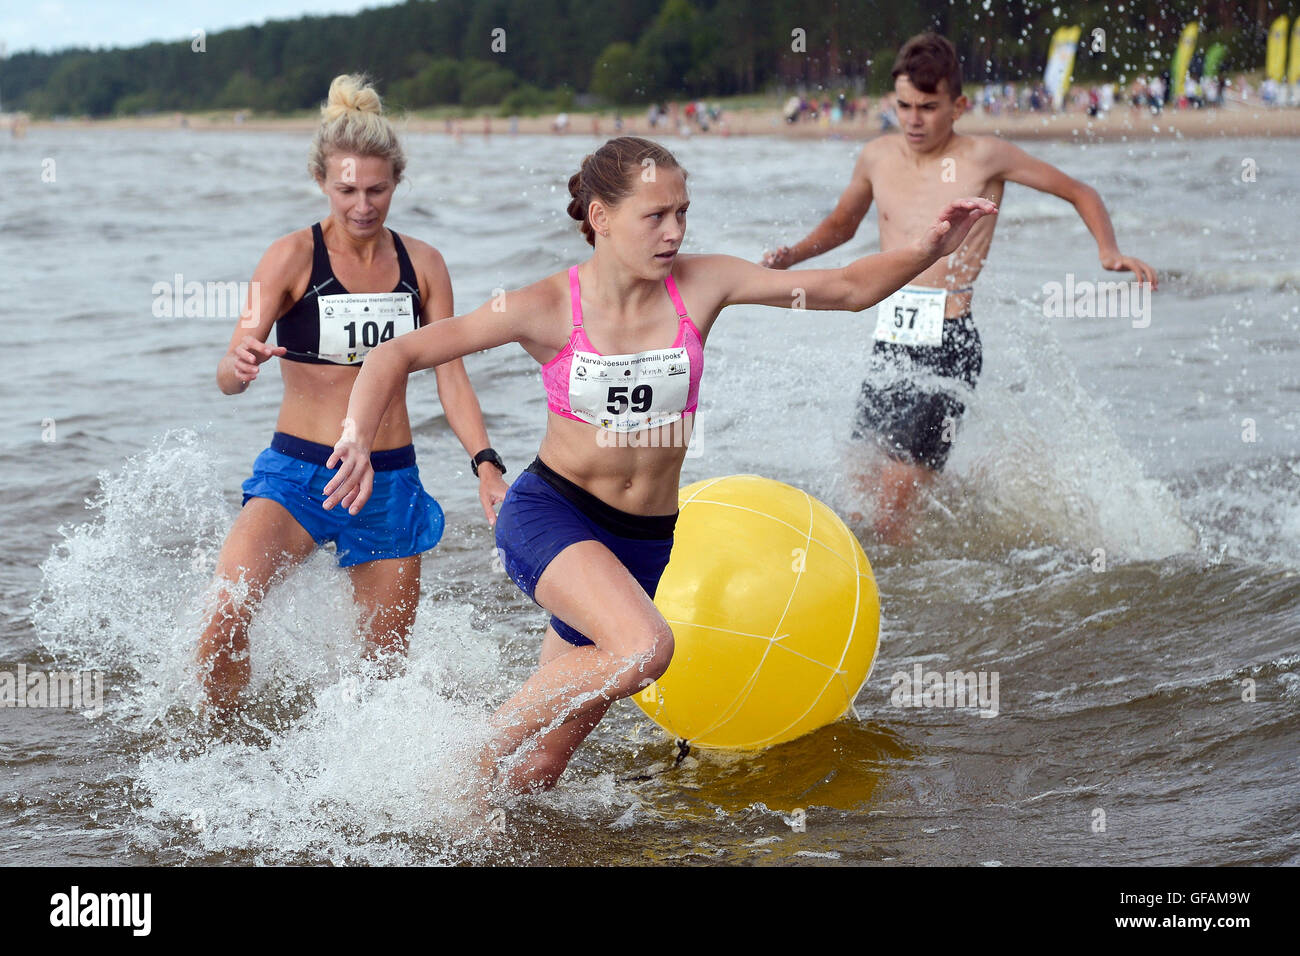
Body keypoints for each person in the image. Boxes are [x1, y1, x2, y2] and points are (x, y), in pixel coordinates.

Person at [322, 136, 996, 799]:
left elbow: (845, 289)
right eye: (656, 216)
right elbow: (396, 354)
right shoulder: (546, 306)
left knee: (545, 767)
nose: (673, 230)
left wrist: (928, 249)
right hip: (553, 514)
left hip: (645, 541)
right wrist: (357, 436)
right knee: (645, 649)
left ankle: (458, 823)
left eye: (682, 212)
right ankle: (465, 756)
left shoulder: (703, 285)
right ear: (601, 218)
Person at [762, 33, 1156, 544]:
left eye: (928, 107)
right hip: (890, 344)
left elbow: (1079, 190)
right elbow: (842, 225)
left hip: (949, 346)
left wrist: (1109, 251)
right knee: (857, 501)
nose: (913, 120)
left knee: (891, 517)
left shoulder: (986, 156)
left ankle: (910, 603)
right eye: (904, 105)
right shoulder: (877, 157)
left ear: (959, 106)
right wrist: (792, 255)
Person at [197, 75, 508, 712]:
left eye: (377, 189)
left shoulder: (424, 264)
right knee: (222, 623)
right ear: (322, 182)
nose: (362, 205)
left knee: (382, 682)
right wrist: (238, 362)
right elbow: (227, 378)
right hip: (298, 474)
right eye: (346, 190)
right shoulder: (288, 258)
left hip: (389, 481)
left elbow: (451, 376)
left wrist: (485, 464)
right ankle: (219, 757)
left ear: (396, 181)